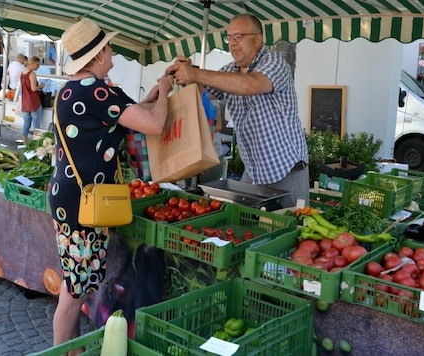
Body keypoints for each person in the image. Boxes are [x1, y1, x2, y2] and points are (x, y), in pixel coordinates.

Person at [48, 18, 172, 348]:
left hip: (72, 195)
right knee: (73, 292)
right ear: (100, 53)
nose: (113, 52)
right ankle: (62, 353)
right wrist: (167, 93)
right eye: (110, 47)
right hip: (84, 201)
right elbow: (155, 125)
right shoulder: (97, 89)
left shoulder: (73, 90)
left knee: (75, 283)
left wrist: (152, 96)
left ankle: (72, 351)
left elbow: (126, 115)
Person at [166, 13, 309, 208]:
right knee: (248, 227)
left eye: (239, 37)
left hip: (286, 170)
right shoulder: (230, 69)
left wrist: (197, 74)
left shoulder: (274, 63)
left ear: (257, 40)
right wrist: (188, 75)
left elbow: (250, 85)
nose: (232, 43)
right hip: (254, 171)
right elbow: (203, 92)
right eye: (229, 38)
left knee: (290, 230)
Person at [19, 56, 45, 143]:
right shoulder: (32, 74)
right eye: (37, 64)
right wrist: (40, 86)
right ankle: (36, 143)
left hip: (25, 102)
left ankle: (25, 142)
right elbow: (33, 88)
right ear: (33, 63)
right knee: (36, 125)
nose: (38, 66)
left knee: (26, 123)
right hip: (34, 102)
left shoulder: (23, 73)